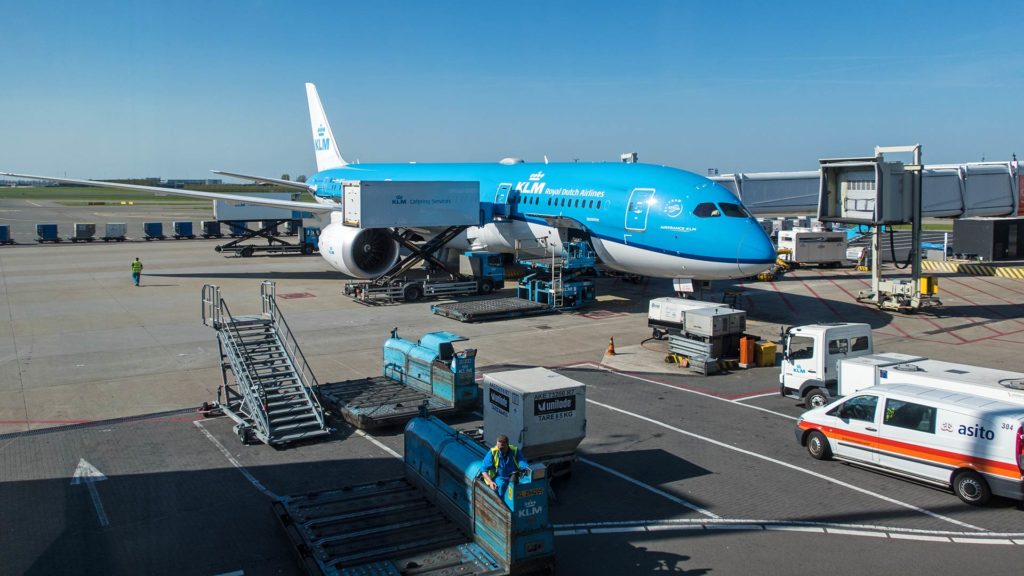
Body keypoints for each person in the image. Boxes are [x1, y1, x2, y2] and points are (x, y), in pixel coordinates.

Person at [480, 434, 529, 499]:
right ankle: (502, 505)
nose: (500, 449)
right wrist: (490, 482)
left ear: (507, 444)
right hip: (500, 477)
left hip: (514, 477)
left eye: (502, 448)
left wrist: (526, 469)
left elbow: (522, 463)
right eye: (498, 447)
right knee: (501, 485)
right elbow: (483, 470)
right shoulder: (493, 452)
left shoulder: (515, 450)